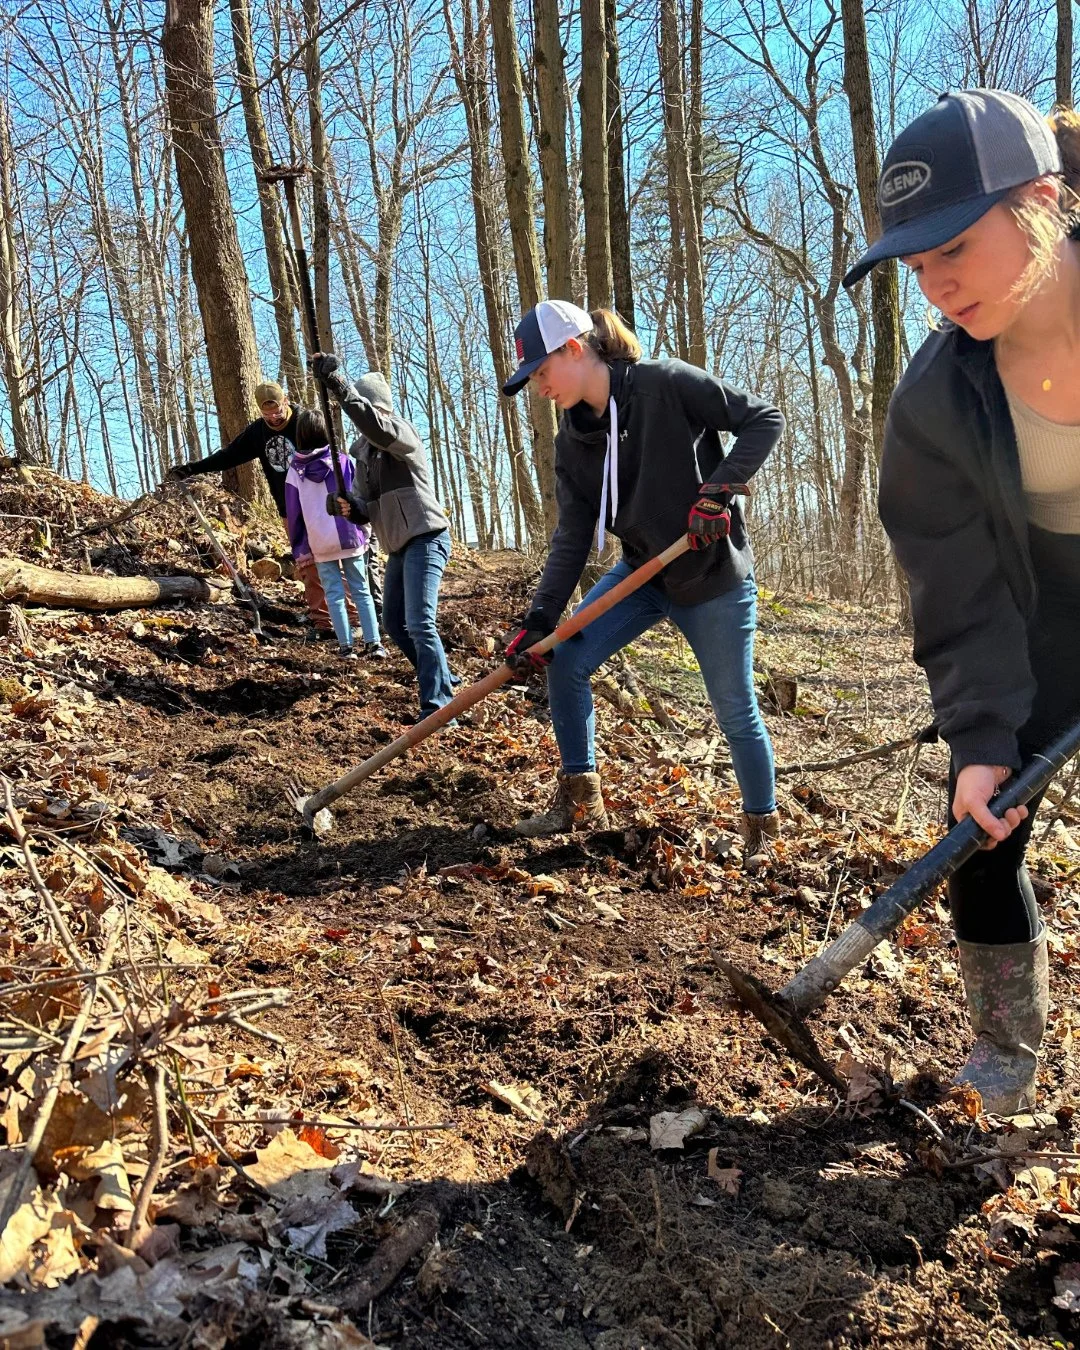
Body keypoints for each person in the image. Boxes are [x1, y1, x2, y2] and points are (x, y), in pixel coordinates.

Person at [843, 89, 1080, 1114]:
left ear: (1038, 202)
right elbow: (953, 573)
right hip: (1037, 604)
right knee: (982, 831)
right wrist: (981, 731)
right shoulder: (936, 399)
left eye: (955, 251)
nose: (937, 287)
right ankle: (1004, 1058)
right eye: (917, 265)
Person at [500, 301, 783, 858]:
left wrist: (719, 488)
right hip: (642, 574)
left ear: (574, 350)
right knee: (566, 663)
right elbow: (572, 537)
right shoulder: (572, 442)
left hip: (711, 577)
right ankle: (580, 802)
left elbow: (763, 419)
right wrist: (540, 620)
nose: (538, 387)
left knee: (734, 708)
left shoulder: (664, 385)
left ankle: (762, 832)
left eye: (540, 372)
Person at [310, 356, 456, 720]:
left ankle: (440, 706)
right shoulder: (365, 456)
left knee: (421, 621)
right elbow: (365, 507)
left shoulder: (400, 435)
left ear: (378, 408)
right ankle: (442, 681)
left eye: (367, 410)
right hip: (399, 547)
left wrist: (341, 389)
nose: (363, 424)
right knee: (394, 621)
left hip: (427, 537)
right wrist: (348, 506)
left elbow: (375, 426)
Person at [167, 380, 351, 636]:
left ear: (285, 401)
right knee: (307, 564)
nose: (273, 417)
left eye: (277, 411)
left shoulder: (305, 421)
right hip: (289, 509)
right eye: (267, 414)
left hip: (321, 506)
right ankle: (323, 623)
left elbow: (333, 456)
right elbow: (229, 455)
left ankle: (353, 618)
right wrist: (192, 468)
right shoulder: (258, 433)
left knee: (335, 559)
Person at [284, 410, 387, 661]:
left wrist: (300, 548)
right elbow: (358, 495)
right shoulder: (341, 462)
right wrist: (366, 528)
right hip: (349, 535)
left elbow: (293, 512)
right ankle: (374, 643)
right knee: (361, 589)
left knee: (333, 594)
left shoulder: (294, 471)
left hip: (319, 542)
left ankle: (346, 647)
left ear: (300, 435)